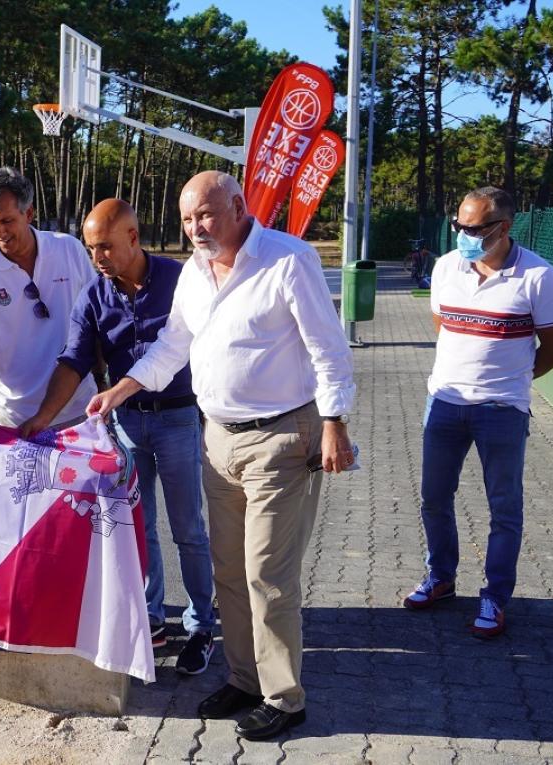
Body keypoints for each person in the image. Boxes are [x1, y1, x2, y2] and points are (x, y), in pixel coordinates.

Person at [86, 170, 356, 740]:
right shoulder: (194, 273)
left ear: (237, 206)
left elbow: (327, 347)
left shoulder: (288, 259)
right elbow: (172, 344)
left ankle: (286, 697)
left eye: (204, 215)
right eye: (186, 219)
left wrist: (333, 422)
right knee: (229, 569)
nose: (195, 229)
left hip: (282, 437)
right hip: (217, 439)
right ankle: (245, 678)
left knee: (268, 574)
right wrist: (123, 387)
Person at [19, 198, 216, 673]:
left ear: (133, 237)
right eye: (90, 249)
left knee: (188, 528)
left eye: (105, 246)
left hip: (178, 418)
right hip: (125, 425)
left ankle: (201, 624)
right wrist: (43, 416)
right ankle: (150, 618)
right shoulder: (93, 296)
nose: (97, 258)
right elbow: (74, 360)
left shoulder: (180, 281)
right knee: (136, 527)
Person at [402, 186, 553, 638]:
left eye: (475, 228)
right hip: (445, 404)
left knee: (504, 508)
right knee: (434, 498)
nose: (464, 235)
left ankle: (495, 596)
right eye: (460, 225)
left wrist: (512, 380)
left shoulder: (539, 276)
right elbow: (445, 328)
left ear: (504, 227)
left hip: (502, 410)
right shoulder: (445, 268)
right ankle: (441, 578)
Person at [0, 167, 96, 428]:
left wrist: (105, 378)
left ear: (28, 213)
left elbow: (97, 318)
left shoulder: (70, 249)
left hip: (76, 412)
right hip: (8, 419)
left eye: (6, 221)